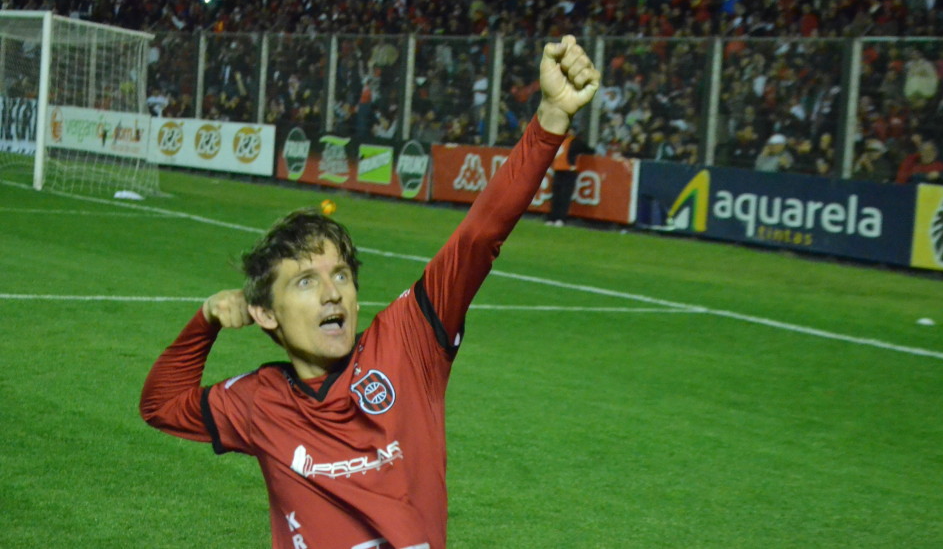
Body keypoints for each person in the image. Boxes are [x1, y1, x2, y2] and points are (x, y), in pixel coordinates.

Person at [139, 36, 601, 549]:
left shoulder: (408, 345)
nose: (333, 294)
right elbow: (160, 406)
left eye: (341, 275)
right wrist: (204, 321)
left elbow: (479, 236)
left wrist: (551, 118)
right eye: (306, 282)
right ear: (266, 314)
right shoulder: (258, 401)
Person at [546, 124, 593, 226]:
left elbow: (589, 150)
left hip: (569, 171)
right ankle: (553, 217)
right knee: (556, 195)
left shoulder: (575, 142)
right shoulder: (559, 141)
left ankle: (561, 219)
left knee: (564, 196)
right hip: (558, 170)